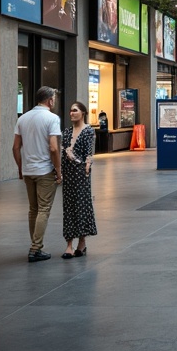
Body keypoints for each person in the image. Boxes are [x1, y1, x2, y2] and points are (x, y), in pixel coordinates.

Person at [12, 86, 63, 263]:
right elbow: (54, 148)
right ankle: (35, 248)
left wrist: (20, 167)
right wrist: (58, 170)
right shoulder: (52, 118)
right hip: (45, 170)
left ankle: (35, 245)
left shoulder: (23, 118)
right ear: (50, 100)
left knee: (33, 209)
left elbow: (16, 147)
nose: (54, 102)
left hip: (28, 171)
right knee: (43, 209)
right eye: (54, 99)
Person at [61, 101, 97, 259]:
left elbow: (89, 153)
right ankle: (69, 244)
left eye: (75, 110)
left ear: (83, 113)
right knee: (68, 207)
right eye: (70, 110)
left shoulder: (88, 131)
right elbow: (62, 152)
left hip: (82, 174)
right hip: (68, 175)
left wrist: (86, 167)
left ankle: (82, 242)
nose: (71, 113)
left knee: (81, 206)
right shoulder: (67, 132)